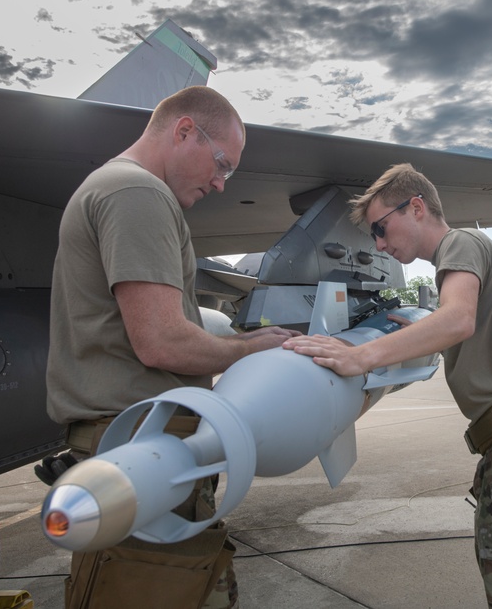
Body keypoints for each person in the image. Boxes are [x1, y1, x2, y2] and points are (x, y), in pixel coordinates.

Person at [283, 163, 492, 607]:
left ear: (418, 207)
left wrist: (359, 355)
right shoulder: (461, 260)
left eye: (381, 229)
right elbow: (445, 335)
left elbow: (457, 320)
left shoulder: (460, 243)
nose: (380, 245)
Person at [45, 85, 299, 609]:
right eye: (222, 163)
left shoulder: (116, 187)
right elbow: (160, 341)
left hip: (136, 441)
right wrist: (249, 349)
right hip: (141, 441)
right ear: (185, 131)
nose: (222, 184)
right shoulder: (136, 192)